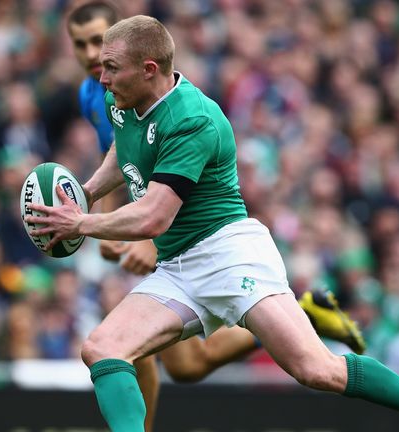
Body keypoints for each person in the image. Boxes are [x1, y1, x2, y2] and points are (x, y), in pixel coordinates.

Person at [29, 14, 399, 432]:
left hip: (231, 255)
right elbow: (124, 151)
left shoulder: (193, 119)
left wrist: (81, 222)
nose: (101, 77)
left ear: (150, 69)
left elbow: (153, 215)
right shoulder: (120, 96)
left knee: (316, 369)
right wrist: (87, 191)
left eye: (112, 67)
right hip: (178, 263)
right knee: (103, 348)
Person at [65, 3, 367, 431]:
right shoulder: (96, 92)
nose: (91, 53)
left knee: (127, 348)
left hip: (178, 225)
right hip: (152, 217)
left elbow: (163, 183)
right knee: (187, 366)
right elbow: (128, 157)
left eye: (99, 41)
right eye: (81, 44)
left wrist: (136, 235)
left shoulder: (159, 98)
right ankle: (302, 314)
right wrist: (89, 197)